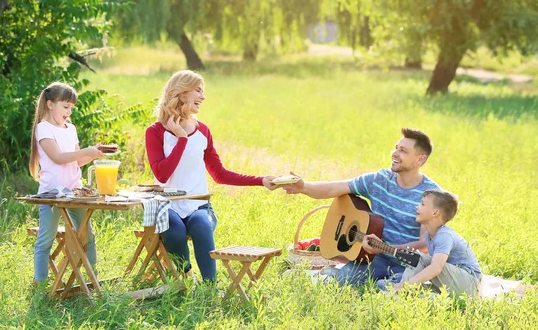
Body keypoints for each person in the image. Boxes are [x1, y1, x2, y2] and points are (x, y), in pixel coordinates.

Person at [145, 70, 278, 282]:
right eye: (198, 91)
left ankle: (210, 287)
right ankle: (186, 275)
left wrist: (260, 180)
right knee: (174, 230)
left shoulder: (203, 131)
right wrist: (181, 139)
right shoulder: (155, 132)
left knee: (200, 224)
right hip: (166, 206)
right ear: (181, 92)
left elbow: (220, 174)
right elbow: (161, 175)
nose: (203, 97)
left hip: (199, 205)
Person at [284, 128, 440, 287]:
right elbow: (334, 188)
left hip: (409, 265)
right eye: (396, 148)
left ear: (420, 159)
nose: (394, 153)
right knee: (340, 283)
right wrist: (304, 187)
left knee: (388, 291)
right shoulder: (380, 179)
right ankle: (333, 274)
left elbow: (425, 244)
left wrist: (387, 248)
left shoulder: (432, 196)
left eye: (403, 151)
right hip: (374, 258)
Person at [29, 82, 105, 284]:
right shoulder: (43, 129)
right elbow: (58, 157)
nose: (69, 111)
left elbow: (77, 161)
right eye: (65, 107)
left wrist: (92, 153)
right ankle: (41, 283)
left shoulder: (70, 128)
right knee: (47, 237)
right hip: (51, 193)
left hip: (74, 191)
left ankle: (92, 281)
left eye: (71, 108)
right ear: (50, 104)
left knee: (87, 236)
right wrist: (85, 151)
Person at [390, 190, 482, 296]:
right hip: (453, 282)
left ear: (435, 213)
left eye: (422, 204)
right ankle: (403, 293)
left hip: (469, 283)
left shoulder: (444, 236)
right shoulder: (430, 235)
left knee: (418, 257)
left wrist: (405, 285)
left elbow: (436, 268)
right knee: (419, 293)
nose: (417, 207)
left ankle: (398, 293)